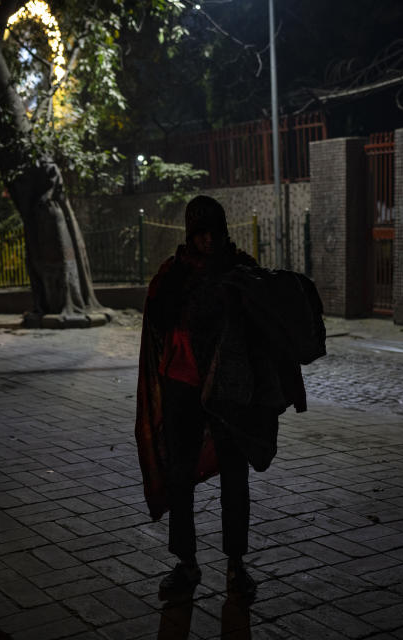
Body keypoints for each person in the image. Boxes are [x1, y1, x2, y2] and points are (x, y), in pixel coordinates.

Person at [134, 195, 324, 603]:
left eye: (213, 233)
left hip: (231, 391)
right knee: (180, 475)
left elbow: (269, 320)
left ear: (223, 232)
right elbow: (157, 320)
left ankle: (237, 564)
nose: (207, 241)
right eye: (199, 234)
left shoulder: (242, 271)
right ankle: (185, 563)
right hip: (181, 385)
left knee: (235, 477)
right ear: (190, 235)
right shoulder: (174, 275)